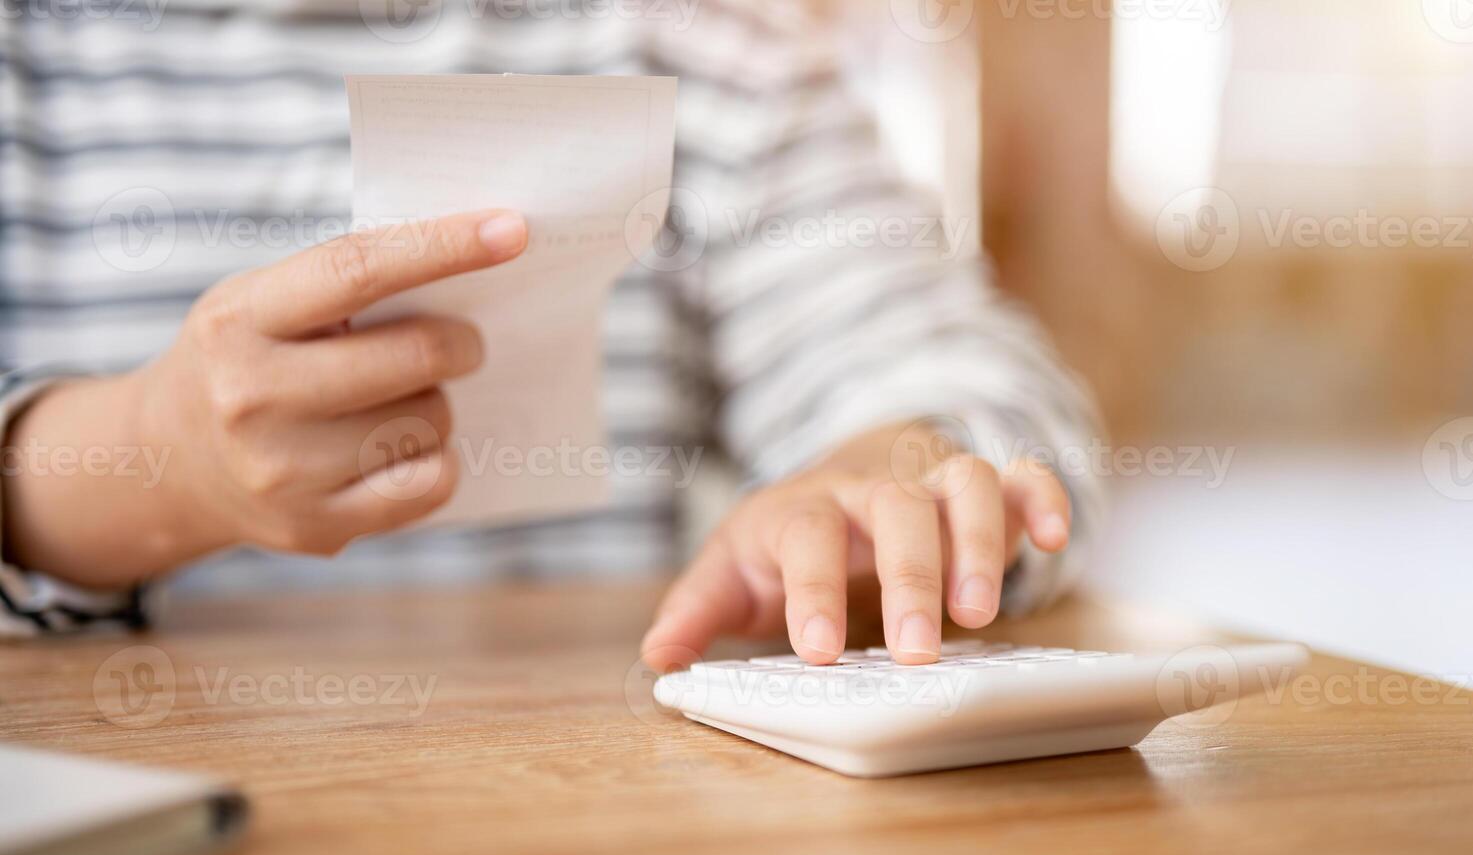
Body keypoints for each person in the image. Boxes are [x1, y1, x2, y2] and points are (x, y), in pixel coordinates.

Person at [0, 0, 1104, 668]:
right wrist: (153, 458)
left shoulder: (694, 39)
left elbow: (967, 370)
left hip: (602, 816)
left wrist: (892, 471)